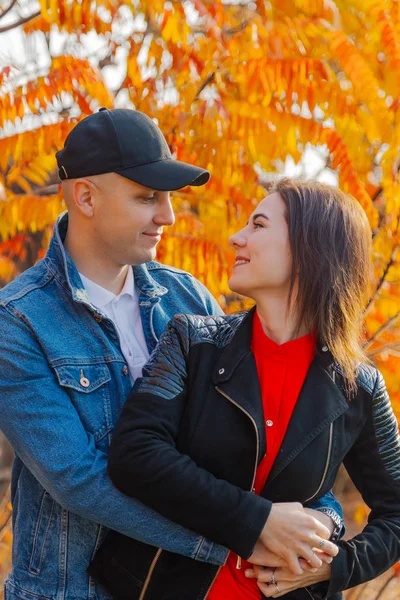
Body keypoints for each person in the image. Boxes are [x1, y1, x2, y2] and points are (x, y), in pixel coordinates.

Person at [0, 111, 342, 600]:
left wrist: (321, 527)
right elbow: (80, 479)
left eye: (167, 198)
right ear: (86, 197)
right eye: (147, 197)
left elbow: (264, 439)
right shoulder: (18, 322)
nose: (169, 216)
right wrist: (248, 534)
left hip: (181, 588)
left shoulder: (190, 301)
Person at [89, 179, 400, 600]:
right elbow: (135, 453)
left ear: (309, 250)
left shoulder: (358, 386)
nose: (237, 237)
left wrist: (331, 568)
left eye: (258, 225)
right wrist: (260, 520)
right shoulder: (191, 342)